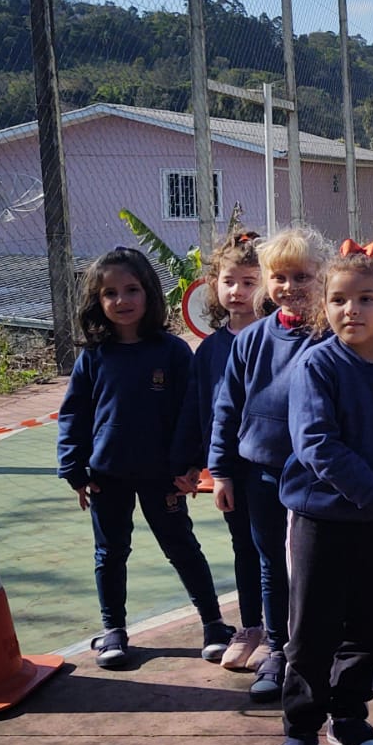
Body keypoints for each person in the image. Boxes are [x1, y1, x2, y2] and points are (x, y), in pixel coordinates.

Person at [267, 240, 373, 745]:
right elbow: (318, 445)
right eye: (338, 300)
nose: (351, 310)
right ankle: (299, 729)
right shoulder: (317, 365)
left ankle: (349, 715)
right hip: (322, 520)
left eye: (365, 299)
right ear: (324, 307)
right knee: (311, 630)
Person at [57, 247, 232, 671]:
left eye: (132, 289)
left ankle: (213, 625)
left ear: (149, 293)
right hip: (107, 476)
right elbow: (74, 414)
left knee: (182, 548)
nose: (122, 300)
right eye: (110, 293)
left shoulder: (172, 352)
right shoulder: (93, 358)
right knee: (110, 553)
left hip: (163, 477)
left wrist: (192, 464)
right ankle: (114, 631)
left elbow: (191, 412)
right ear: (97, 301)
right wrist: (74, 469)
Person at [209, 227, 331, 700]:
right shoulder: (252, 340)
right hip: (261, 475)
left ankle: (315, 649)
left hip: (319, 477)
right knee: (271, 564)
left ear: (322, 276)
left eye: (302, 276)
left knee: (316, 568)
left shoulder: (333, 337)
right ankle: (277, 648)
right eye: (279, 276)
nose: (290, 286)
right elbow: (227, 408)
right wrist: (221, 470)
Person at [171, 230, 267, 672]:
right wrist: (190, 462)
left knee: (284, 551)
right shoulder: (209, 350)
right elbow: (197, 409)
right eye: (230, 281)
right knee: (245, 548)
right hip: (232, 471)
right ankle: (252, 628)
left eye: (249, 282)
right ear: (214, 285)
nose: (238, 291)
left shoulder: (282, 338)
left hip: (278, 468)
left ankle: (287, 633)